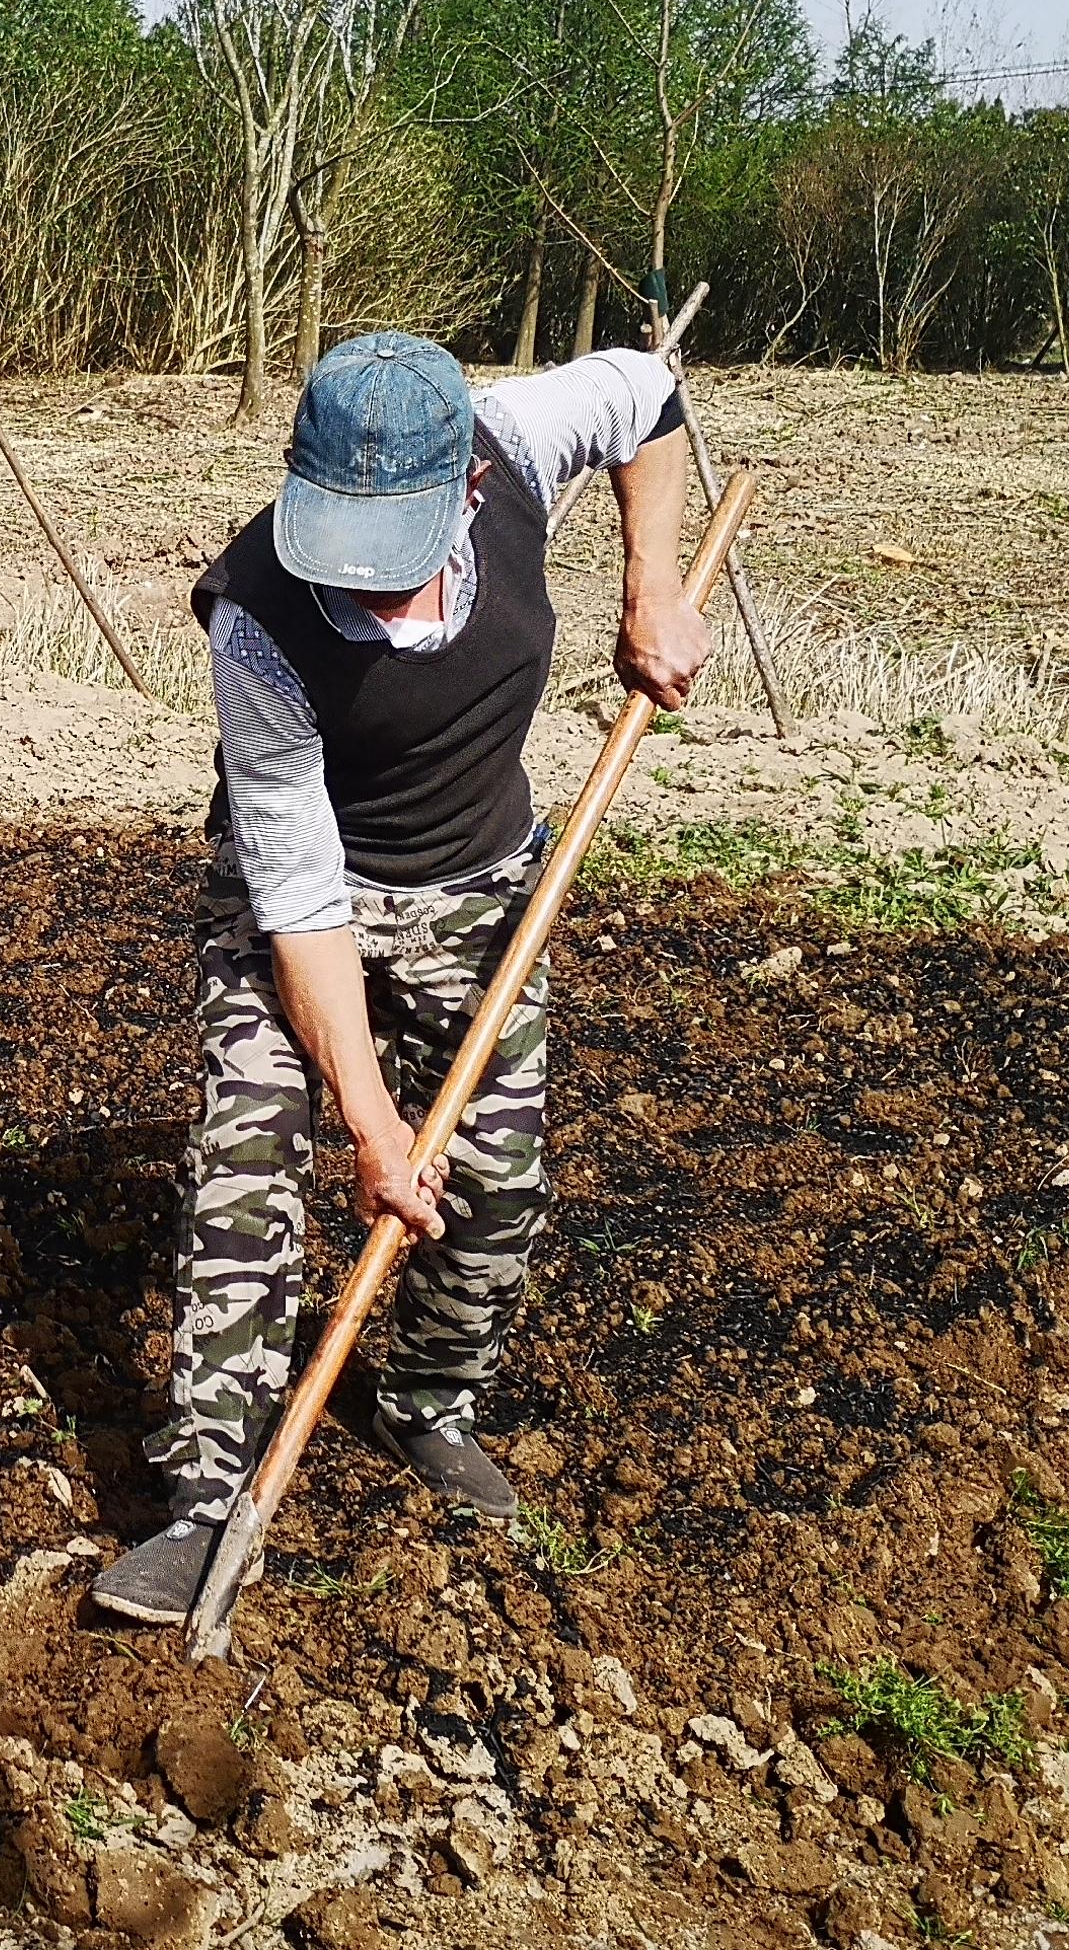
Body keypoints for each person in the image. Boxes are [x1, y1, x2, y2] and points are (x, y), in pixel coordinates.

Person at [90, 333, 710, 1626]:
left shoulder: (520, 444)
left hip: (479, 878)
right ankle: (209, 1500)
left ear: (467, 491)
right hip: (304, 891)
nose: (361, 598)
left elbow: (650, 396)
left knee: (489, 1185)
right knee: (245, 1157)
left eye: (393, 563)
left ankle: (425, 1400)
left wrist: (650, 585)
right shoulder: (257, 617)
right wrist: (370, 1125)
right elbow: (301, 902)